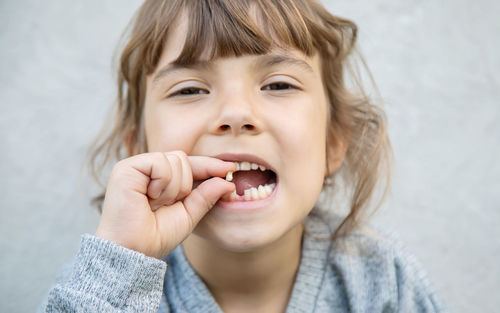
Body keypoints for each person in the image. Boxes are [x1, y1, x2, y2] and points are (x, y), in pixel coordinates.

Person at [41, 0, 446, 312]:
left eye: (279, 84)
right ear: (139, 150)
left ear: (334, 142)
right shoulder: (105, 288)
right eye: (190, 90)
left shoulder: (382, 282)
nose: (236, 114)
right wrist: (120, 263)